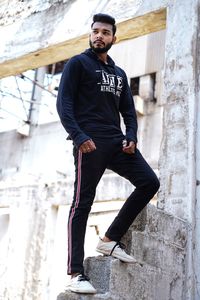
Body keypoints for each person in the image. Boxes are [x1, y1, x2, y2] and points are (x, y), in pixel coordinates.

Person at [56, 13, 160, 294]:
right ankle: (76, 273)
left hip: (117, 142)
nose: (99, 36)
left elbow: (128, 110)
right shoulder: (78, 64)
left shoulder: (119, 74)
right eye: (95, 31)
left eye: (105, 32)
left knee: (150, 182)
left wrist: (131, 137)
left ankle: (110, 237)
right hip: (89, 142)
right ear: (90, 35)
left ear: (114, 38)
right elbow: (64, 104)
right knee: (82, 203)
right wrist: (79, 136)